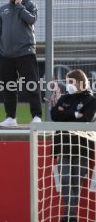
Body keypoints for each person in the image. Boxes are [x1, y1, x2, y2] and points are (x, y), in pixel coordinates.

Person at [0, 0, 42, 127]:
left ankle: (36, 116)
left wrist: (20, 6)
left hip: (25, 52)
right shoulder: (3, 9)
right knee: (9, 87)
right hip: (6, 55)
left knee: (32, 85)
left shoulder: (30, 5)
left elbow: (32, 20)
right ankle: (10, 118)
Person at [50, 69, 96, 222]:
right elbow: (55, 115)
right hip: (63, 145)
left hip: (81, 146)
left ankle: (69, 215)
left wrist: (66, 113)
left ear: (80, 82)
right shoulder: (64, 98)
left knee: (76, 182)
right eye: (67, 82)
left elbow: (86, 120)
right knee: (64, 180)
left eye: (71, 82)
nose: (68, 85)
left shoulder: (91, 100)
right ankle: (69, 215)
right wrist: (75, 114)